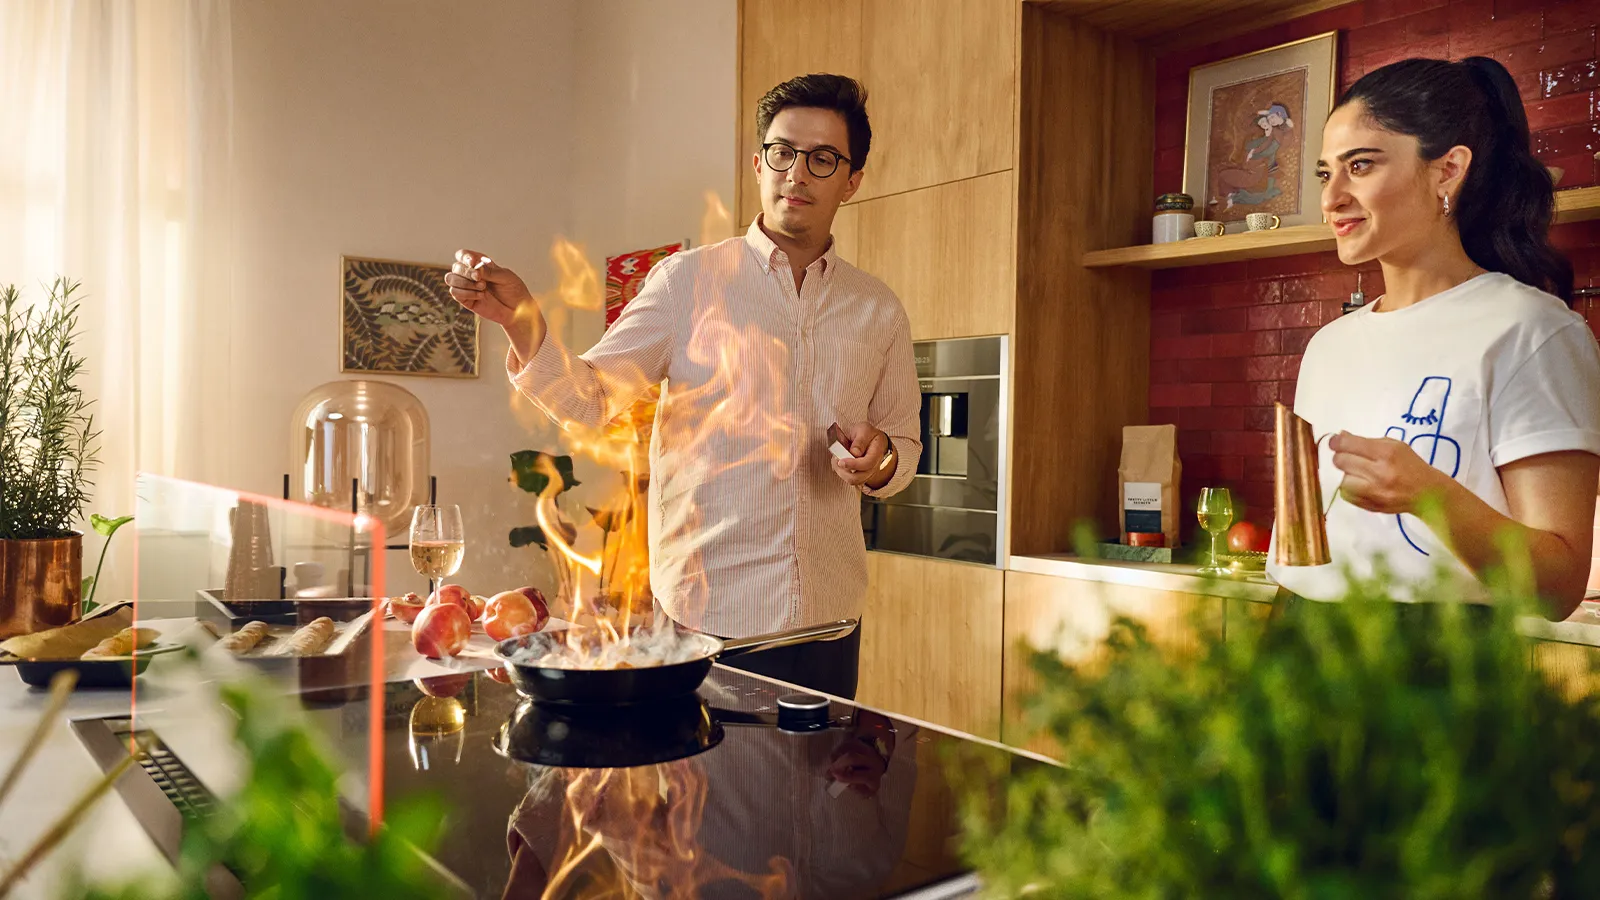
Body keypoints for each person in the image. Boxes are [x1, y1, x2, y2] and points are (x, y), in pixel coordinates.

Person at [445, 74, 921, 698]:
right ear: (758, 163)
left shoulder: (877, 309)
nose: (797, 174)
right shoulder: (686, 283)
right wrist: (521, 320)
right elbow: (590, 399)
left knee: (816, 799)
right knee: (709, 794)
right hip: (706, 626)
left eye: (823, 159)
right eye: (782, 152)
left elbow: (905, 451)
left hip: (828, 629)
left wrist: (879, 455)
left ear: (851, 180)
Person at [1266, 56, 1600, 620]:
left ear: (1448, 170)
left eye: (1362, 165)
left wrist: (1431, 495)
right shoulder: (1329, 345)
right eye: (1326, 173)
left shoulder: (1532, 331)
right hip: (1294, 638)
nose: (1332, 198)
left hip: (1435, 665)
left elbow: (1560, 584)